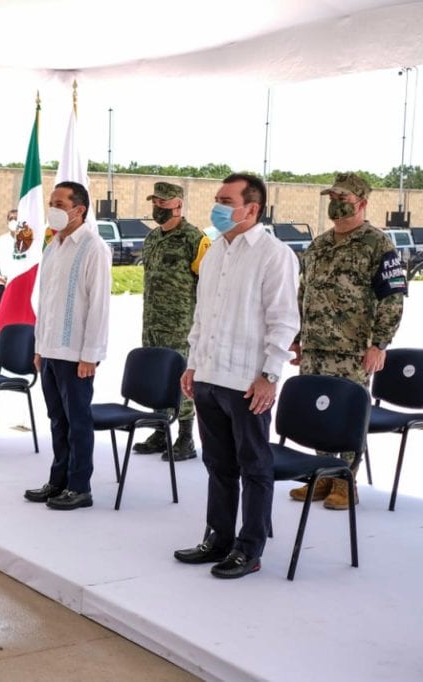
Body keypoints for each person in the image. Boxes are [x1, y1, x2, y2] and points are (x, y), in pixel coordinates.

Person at [174, 173, 300, 579]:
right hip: (211, 375)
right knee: (218, 464)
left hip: (248, 381)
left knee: (254, 466)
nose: (218, 206)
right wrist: (194, 363)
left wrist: (270, 375)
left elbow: (284, 320)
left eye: (226, 200)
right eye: (217, 199)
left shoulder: (273, 254)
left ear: (252, 209)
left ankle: (250, 548)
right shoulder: (213, 252)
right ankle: (218, 538)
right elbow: (201, 316)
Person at [289, 172, 407, 509]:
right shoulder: (319, 244)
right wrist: (298, 338)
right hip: (315, 347)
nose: (337, 205)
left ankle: (346, 481)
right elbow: (304, 294)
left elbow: (392, 298)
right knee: (316, 412)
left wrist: (380, 344)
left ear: (362, 203)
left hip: (353, 348)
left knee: (348, 413)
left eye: (344, 199)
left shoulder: (378, 244)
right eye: (333, 199)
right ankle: (323, 473)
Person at [24, 181, 111, 510]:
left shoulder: (93, 247)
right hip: (49, 351)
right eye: (51, 202)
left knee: (78, 422)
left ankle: (79, 486)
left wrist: (90, 355)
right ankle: (57, 480)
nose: (53, 209)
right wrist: (38, 346)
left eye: (60, 204)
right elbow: (44, 301)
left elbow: (99, 305)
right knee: (57, 419)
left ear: (79, 210)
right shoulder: (53, 246)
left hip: (77, 355)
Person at [133, 182, 210, 462]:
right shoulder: (152, 238)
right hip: (152, 321)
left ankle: (186, 438)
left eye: (163, 204)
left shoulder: (195, 239)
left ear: (178, 204)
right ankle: (159, 430)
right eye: (155, 203)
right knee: (157, 376)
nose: (158, 208)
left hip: (181, 325)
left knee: (182, 381)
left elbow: (208, 284)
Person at [0, 209, 20, 309]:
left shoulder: (27, 241)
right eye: (11, 219)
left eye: (16, 219)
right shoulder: (2, 239)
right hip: (3, 285)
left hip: (19, 285)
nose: (13, 221)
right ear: (7, 221)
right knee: (2, 317)